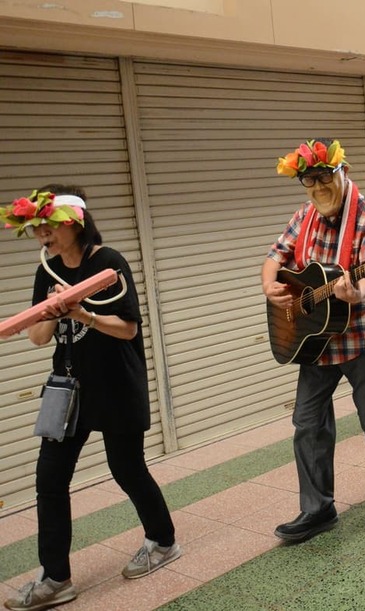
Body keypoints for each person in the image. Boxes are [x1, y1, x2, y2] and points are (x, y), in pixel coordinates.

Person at [1, 186, 180, 611]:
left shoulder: (108, 262)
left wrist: (83, 313)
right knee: (49, 477)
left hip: (116, 382)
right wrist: (49, 313)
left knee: (127, 468)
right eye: (37, 228)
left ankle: (163, 541)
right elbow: (38, 338)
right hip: (67, 389)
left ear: (73, 223)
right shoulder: (47, 270)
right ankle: (56, 578)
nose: (42, 234)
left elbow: (129, 329)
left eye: (49, 226)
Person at [263, 138, 365, 542]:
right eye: (310, 184)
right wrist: (270, 285)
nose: (318, 191)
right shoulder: (304, 214)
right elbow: (275, 256)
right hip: (315, 340)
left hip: (361, 338)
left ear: (342, 173)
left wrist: (360, 291)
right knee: (307, 425)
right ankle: (317, 509)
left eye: (325, 180)